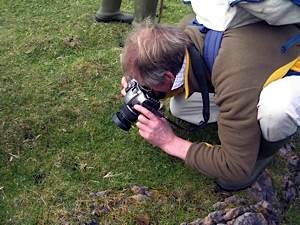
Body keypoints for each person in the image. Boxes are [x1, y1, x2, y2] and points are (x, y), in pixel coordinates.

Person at [119, 20, 300, 191]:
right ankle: (241, 120)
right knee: (180, 108)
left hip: (290, 64)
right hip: (259, 53)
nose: (145, 89)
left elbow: (235, 167)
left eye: (147, 86)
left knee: (277, 112)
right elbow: (183, 76)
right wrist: (140, 86)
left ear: (168, 77)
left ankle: (264, 151)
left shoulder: (234, 79)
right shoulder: (184, 32)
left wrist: (170, 142)